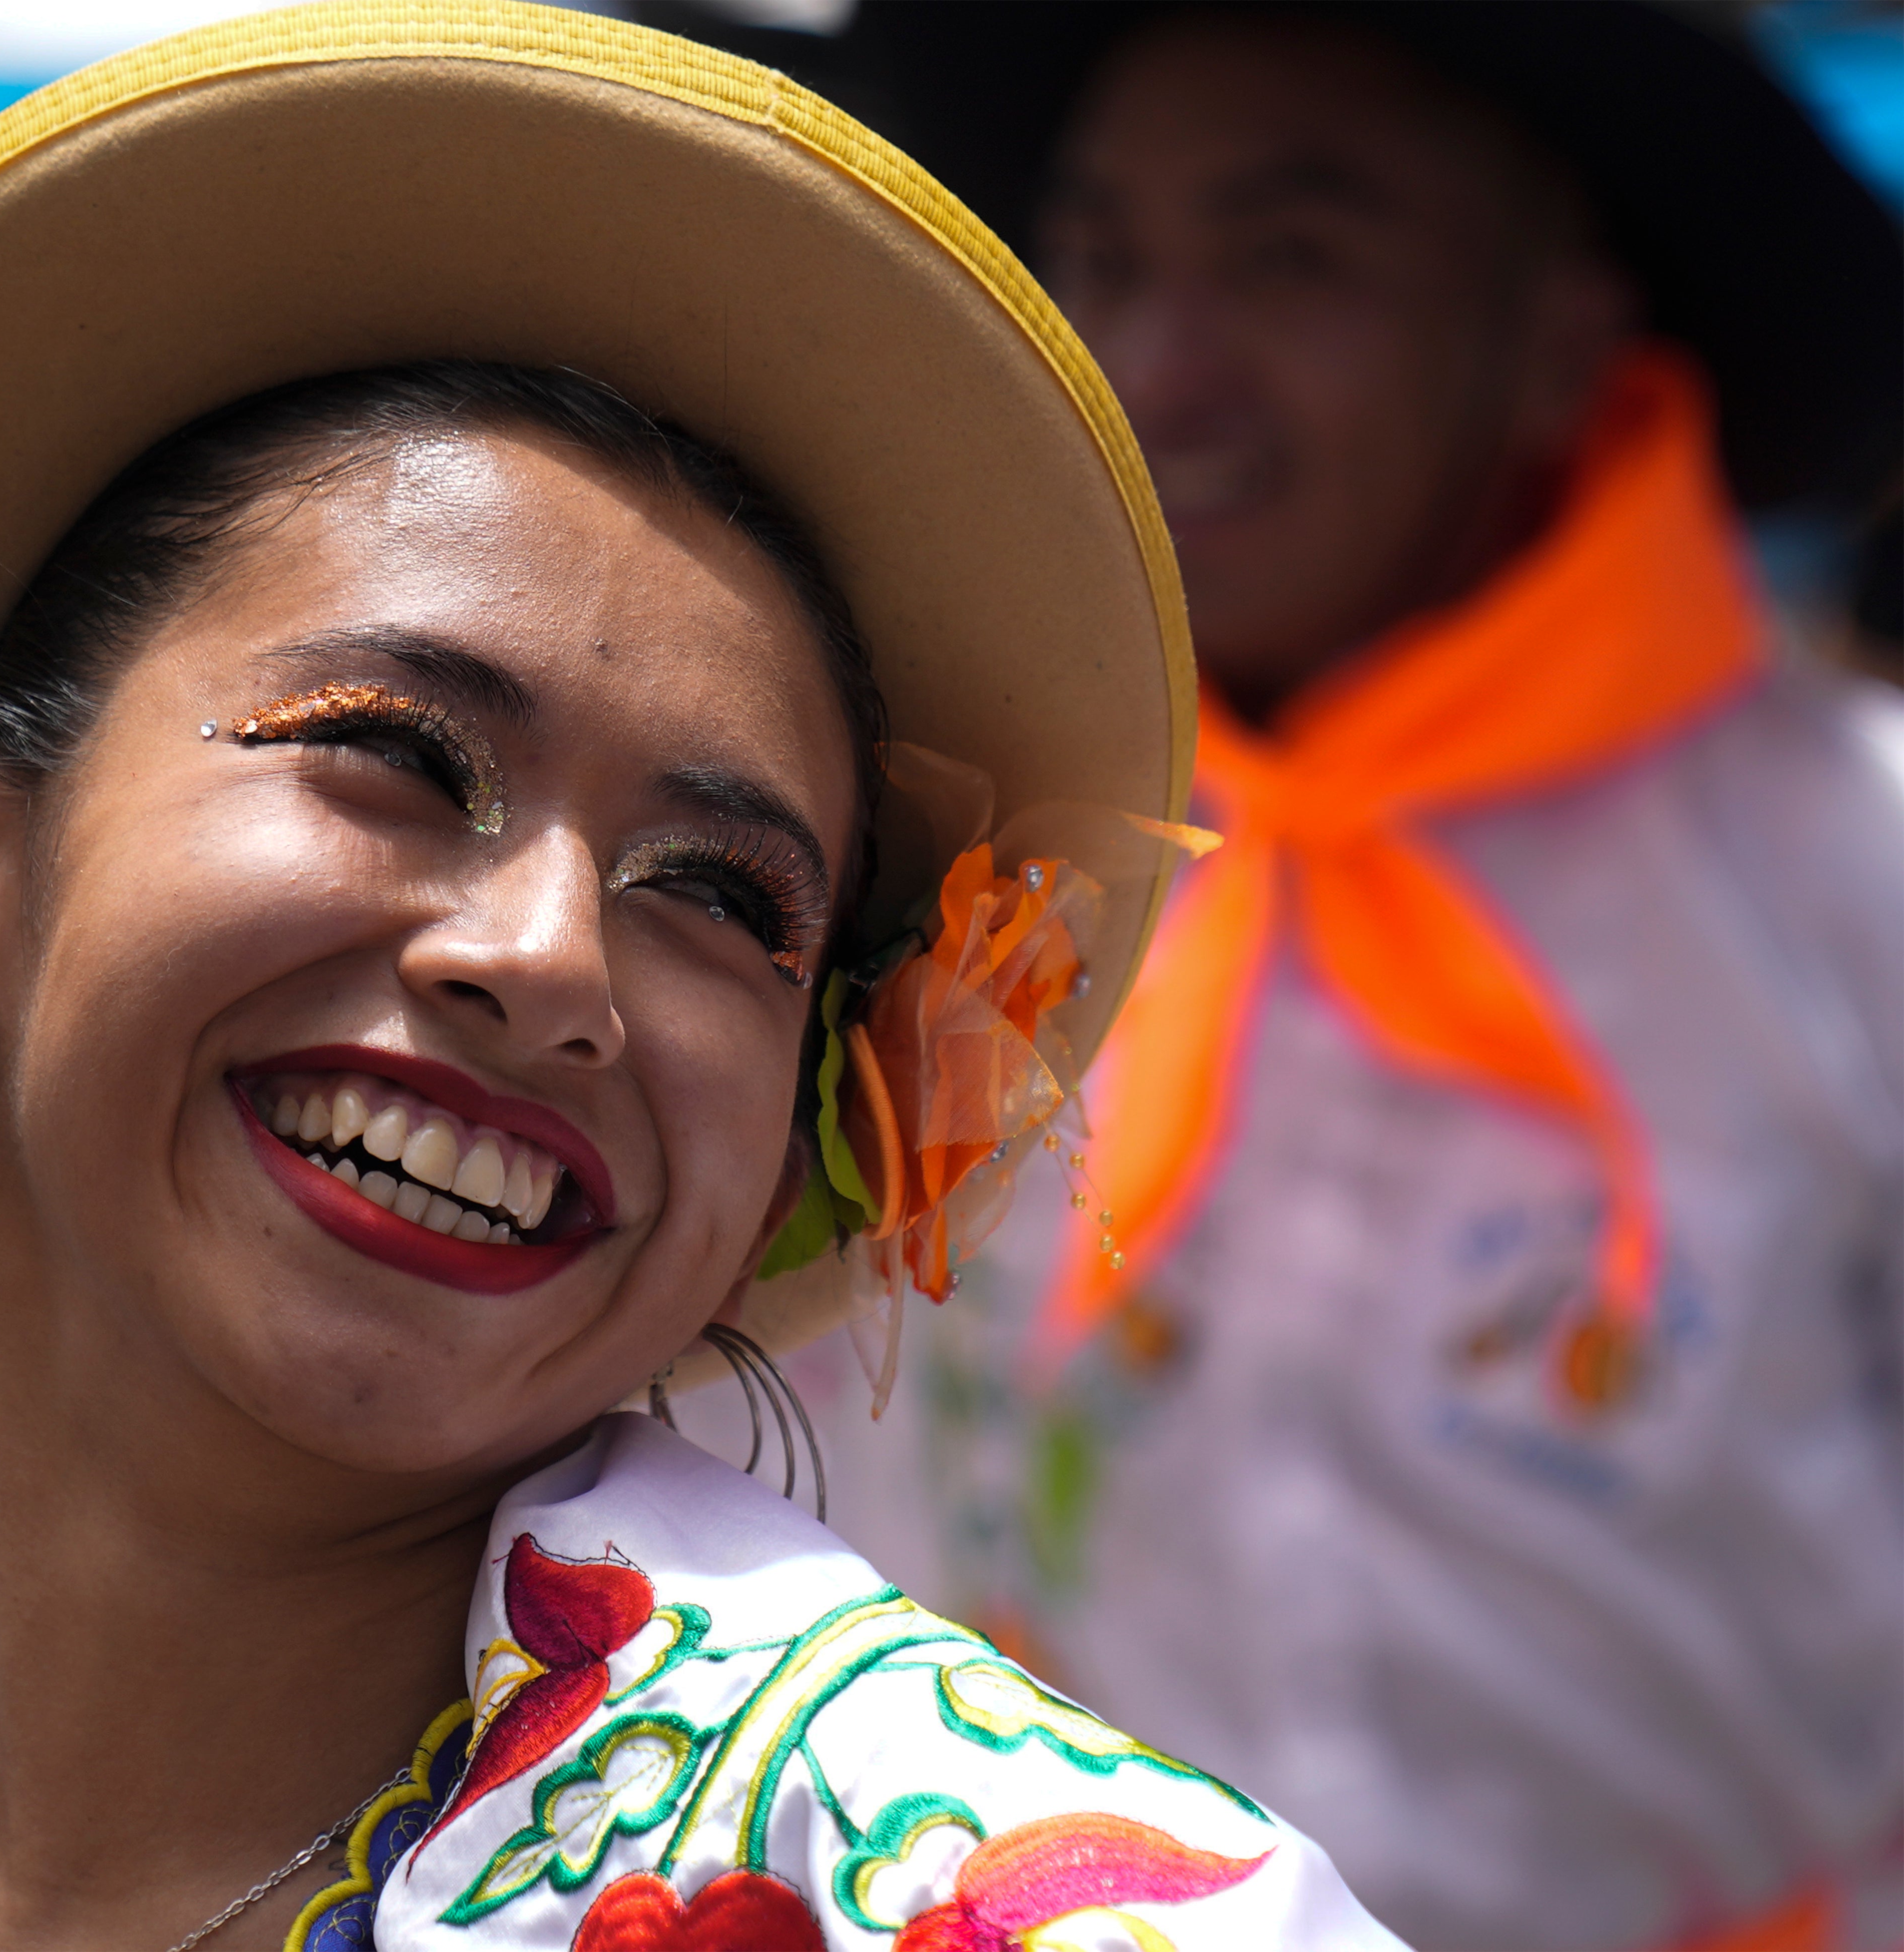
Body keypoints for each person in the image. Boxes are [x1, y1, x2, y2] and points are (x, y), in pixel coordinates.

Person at [0, 8, 1406, 1949]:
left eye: (723, 894)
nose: (546, 958)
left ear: (797, 1121)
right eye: (397, 752)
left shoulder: (1029, 1901)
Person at [678, 6, 1904, 1948]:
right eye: (1108, 257)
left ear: (1563, 338)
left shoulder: (1857, 873)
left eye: (1292, 255)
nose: (1161, 366)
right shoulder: (944, 839)